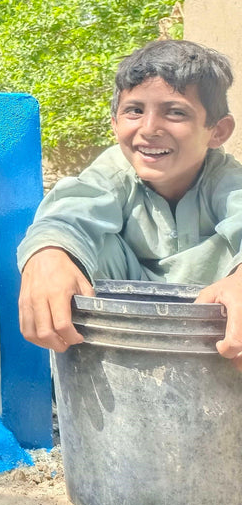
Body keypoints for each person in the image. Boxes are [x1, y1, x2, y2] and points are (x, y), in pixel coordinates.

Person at [17, 39, 242, 366]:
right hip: (119, 355)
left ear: (217, 131)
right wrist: (49, 253)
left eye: (175, 112)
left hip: (213, 353)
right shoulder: (115, 171)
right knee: (73, 251)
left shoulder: (225, 179)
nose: (149, 129)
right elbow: (69, 214)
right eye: (134, 111)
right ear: (114, 122)